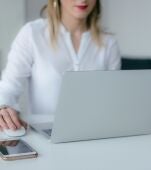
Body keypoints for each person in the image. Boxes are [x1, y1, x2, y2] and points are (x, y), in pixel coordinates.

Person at [0, 0, 121, 131]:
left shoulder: (108, 43)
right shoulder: (32, 34)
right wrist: (3, 107)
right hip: (44, 134)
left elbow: (112, 99)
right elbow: (9, 86)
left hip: (94, 132)